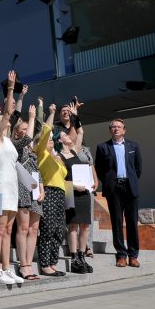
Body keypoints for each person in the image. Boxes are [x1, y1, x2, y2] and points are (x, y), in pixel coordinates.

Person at [0, 71, 24, 285]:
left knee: (9, 228)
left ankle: (8, 268)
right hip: (0, 183)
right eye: (3, 120)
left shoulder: (9, 141)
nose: (7, 121)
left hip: (12, 185)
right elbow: (9, 113)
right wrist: (10, 88)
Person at [94, 118, 142, 268]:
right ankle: (121, 254)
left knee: (132, 221)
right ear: (110, 130)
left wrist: (131, 180)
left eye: (119, 127)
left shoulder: (134, 146)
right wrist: (108, 182)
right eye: (113, 127)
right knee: (116, 221)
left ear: (124, 130)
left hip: (130, 187)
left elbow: (138, 168)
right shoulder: (103, 147)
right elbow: (100, 169)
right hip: (114, 188)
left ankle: (133, 255)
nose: (116, 129)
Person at [57, 102, 94, 274]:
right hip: (71, 191)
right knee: (72, 225)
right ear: (60, 139)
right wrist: (74, 187)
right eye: (64, 134)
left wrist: (74, 116)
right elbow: (60, 177)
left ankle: (81, 255)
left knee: (85, 225)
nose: (68, 135)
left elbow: (80, 131)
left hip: (84, 192)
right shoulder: (57, 156)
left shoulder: (74, 150)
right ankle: (73, 258)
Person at [35, 104, 68, 276]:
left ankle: (53, 261)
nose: (51, 141)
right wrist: (51, 113)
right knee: (47, 228)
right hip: (47, 191)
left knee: (59, 229)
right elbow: (46, 130)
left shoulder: (56, 157)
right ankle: (45, 263)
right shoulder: (41, 153)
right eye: (48, 140)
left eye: (51, 140)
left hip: (60, 193)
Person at [11, 104, 43, 281]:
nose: (26, 131)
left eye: (27, 128)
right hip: (21, 188)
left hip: (34, 190)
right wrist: (31, 118)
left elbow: (37, 171)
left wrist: (42, 189)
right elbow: (29, 137)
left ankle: (30, 263)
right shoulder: (15, 145)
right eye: (23, 129)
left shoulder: (31, 152)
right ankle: (23, 265)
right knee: (23, 227)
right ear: (17, 132)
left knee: (33, 228)